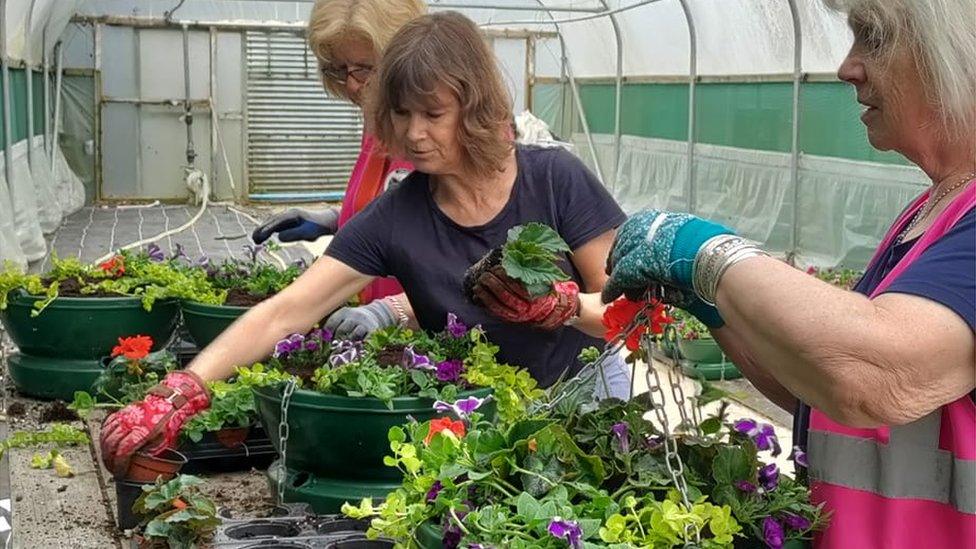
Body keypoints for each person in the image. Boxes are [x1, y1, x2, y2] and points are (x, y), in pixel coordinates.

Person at [100, 11, 629, 478]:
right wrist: (184, 389)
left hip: (587, 395)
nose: (415, 133)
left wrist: (561, 305)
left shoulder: (555, 179)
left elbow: (627, 312)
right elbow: (284, 313)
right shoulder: (396, 215)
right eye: (401, 114)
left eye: (433, 114)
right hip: (480, 406)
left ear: (473, 106)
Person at [597, 1, 975, 547]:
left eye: (873, 37)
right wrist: (715, 306)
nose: (848, 67)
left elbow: (874, 375)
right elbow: (820, 386)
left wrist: (710, 255)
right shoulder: (930, 212)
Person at [251, 0, 425, 339]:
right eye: (338, 69)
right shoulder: (377, 120)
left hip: (428, 331)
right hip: (377, 328)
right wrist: (333, 219)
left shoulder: (448, 127)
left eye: (364, 68)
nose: (351, 85)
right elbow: (393, 205)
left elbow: (474, 261)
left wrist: (391, 311)